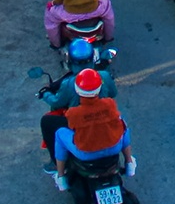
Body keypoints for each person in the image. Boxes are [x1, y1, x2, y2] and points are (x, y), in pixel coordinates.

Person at [38, 38, 119, 170]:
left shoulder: (74, 112)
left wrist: (45, 94)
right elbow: (113, 93)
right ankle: (129, 163)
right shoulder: (109, 101)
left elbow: (57, 102)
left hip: (84, 144)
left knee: (53, 129)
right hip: (109, 141)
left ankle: (59, 169)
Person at [50, 67, 133, 192]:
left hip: (86, 154)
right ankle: (129, 162)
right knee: (122, 123)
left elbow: (72, 127)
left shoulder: (73, 113)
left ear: (77, 90)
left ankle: (61, 177)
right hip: (114, 148)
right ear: (99, 88)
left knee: (60, 134)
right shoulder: (110, 104)